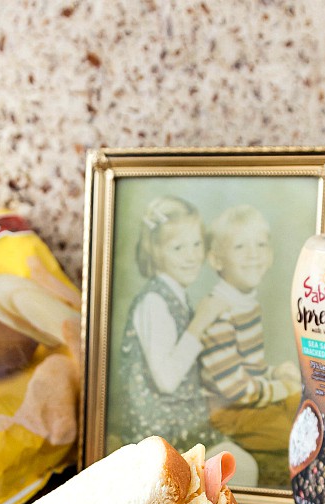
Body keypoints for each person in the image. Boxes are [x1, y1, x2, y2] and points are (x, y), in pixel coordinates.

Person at [114, 195, 258, 483]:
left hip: (182, 422)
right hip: (160, 433)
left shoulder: (176, 296)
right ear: (155, 252)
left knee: (242, 457)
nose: (191, 255)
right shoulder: (154, 301)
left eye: (196, 244)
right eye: (178, 247)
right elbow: (167, 379)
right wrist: (201, 320)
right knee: (241, 466)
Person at [194, 204, 301, 485]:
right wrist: (281, 388)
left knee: (303, 406)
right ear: (217, 260)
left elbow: (250, 367)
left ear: (270, 254)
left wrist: (275, 374)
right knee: (295, 432)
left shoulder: (246, 302)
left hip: (248, 400)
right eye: (240, 246)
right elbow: (236, 389)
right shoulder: (219, 311)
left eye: (261, 244)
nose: (254, 253)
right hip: (228, 412)